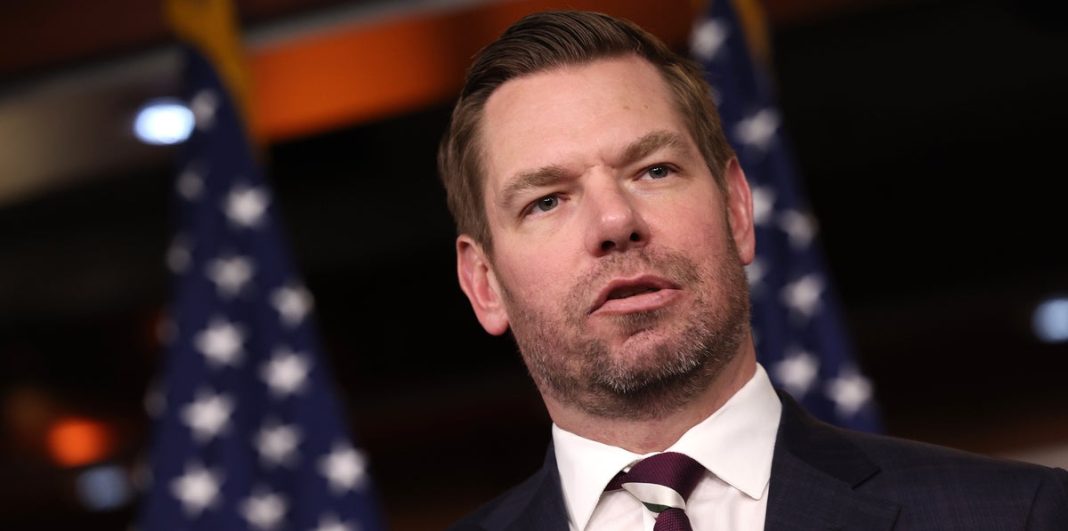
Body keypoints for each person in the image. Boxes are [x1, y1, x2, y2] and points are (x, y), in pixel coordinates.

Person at [437, 10, 1068, 531]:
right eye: (547, 200)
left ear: (738, 209)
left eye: (654, 170)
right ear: (484, 284)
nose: (614, 221)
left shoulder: (1019, 516)